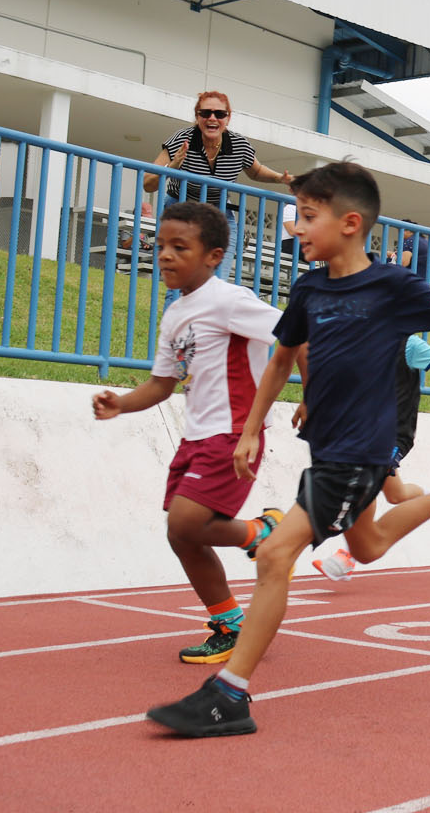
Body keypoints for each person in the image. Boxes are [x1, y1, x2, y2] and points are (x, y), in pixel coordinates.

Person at [145, 161, 430, 736]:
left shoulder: (391, 286)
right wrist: (252, 426)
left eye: (307, 218)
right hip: (328, 446)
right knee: (367, 544)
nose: (297, 229)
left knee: (273, 557)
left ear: (349, 223)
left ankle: (229, 696)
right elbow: (283, 358)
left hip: (361, 450)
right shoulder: (310, 287)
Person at [91, 202, 285, 664]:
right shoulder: (176, 314)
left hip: (236, 433)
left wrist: (312, 400)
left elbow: (295, 334)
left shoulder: (230, 300)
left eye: (180, 247)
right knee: (182, 535)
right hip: (196, 436)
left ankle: (264, 531)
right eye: (160, 246)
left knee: (185, 522)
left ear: (213, 255)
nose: (165, 256)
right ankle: (230, 623)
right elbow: (162, 383)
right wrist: (121, 403)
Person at [312, 335, 430, 581]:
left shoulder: (408, 344)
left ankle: (348, 555)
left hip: (395, 434)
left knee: (367, 480)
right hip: (365, 433)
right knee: (397, 495)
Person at [144, 92, 294, 305]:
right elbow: (148, 182)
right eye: (205, 113)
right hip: (182, 211)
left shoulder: (238, 145)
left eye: (219, 113)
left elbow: (256, 171)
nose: (212, 118)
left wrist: (281, 178)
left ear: (228, 118)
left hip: (219, 215)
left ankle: (201, 336)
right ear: (197, 117)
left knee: (214, 285)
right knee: (180, 284)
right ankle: (174, 336)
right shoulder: (182, 139)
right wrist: (174, 166)